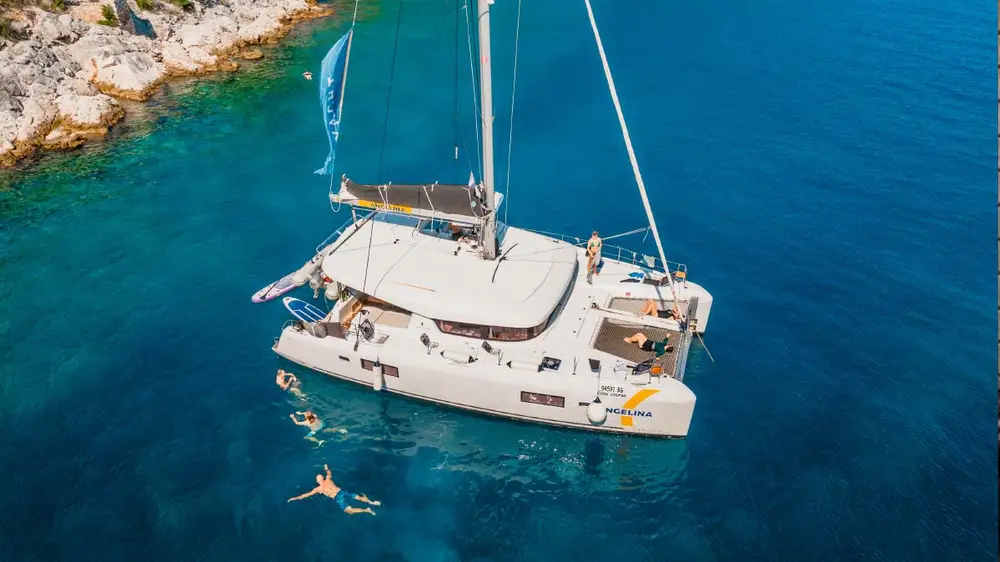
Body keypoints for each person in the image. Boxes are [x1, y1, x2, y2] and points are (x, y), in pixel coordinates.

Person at [287, 464, 380, 516]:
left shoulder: (318, 489)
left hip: (337, 497)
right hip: (341, 491)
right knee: (358, 497)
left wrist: (294, 498)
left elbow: (305, 495)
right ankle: (371, 502)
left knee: (348, 511)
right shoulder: (328, 479)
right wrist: (326, 468)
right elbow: (329, 473)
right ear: (322, 478)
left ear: (317, 481)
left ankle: (366, 510)